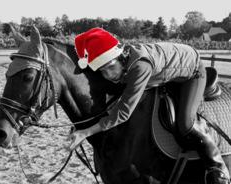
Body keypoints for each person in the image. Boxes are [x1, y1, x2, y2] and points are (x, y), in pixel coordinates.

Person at [69, 27, 230, 184]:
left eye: (111, 67)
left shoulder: (140, 67)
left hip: (193, 69)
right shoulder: (121, 63)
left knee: (186, 124)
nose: (109, 75)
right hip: (166, 68)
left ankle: (217, 168)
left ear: (122, 57)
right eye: (103, 71)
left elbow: (123, 113)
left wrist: (86, 132)